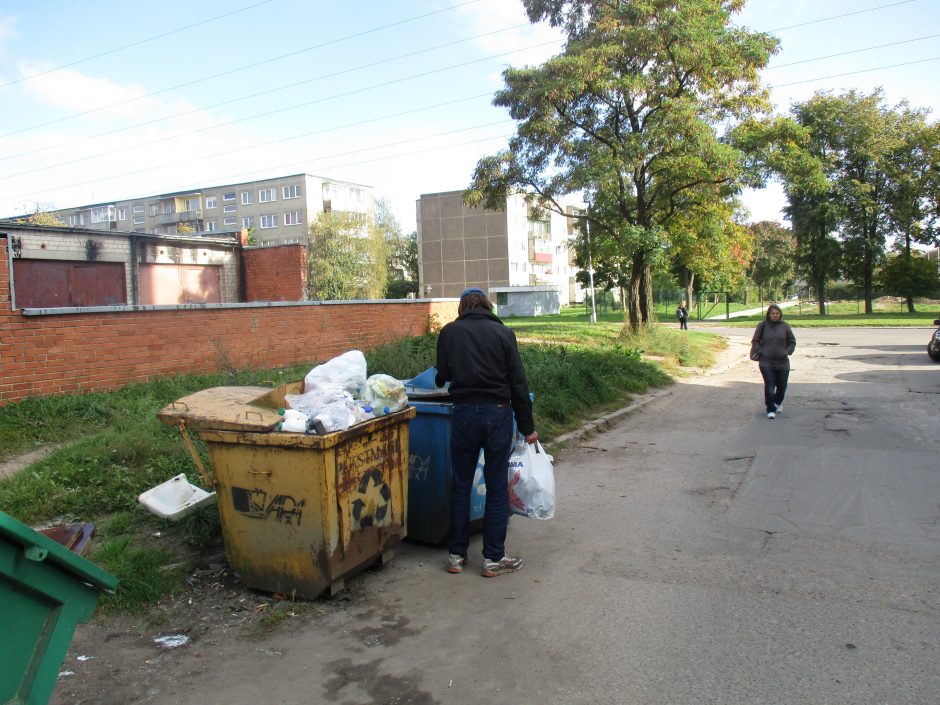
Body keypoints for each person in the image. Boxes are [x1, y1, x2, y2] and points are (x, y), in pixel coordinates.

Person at [435, 287, 538, 578]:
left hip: (464, 415)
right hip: (497, 414)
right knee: (495, 486)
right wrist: (528, 428)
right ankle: (493, 559)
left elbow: (442, 375)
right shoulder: (504, 334)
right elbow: (518, 383)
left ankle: (456, 555)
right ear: (487, 306)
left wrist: (452, 370)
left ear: (462, 307)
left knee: (461, 484)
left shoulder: (450, 333)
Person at [750, 303, 796, 419]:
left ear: (780, 314)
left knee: (782, 387)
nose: (775, 315)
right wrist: (761, 351)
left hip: (782, 362)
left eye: (777, 313)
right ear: (769, 315)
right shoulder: (762, 325)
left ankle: (777, 402)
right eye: (773, 314)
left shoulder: (785, 326)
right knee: (770, 385)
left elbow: (792, 341)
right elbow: (755, 341)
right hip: (766, 362)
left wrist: (787, 351)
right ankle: (770, 409)